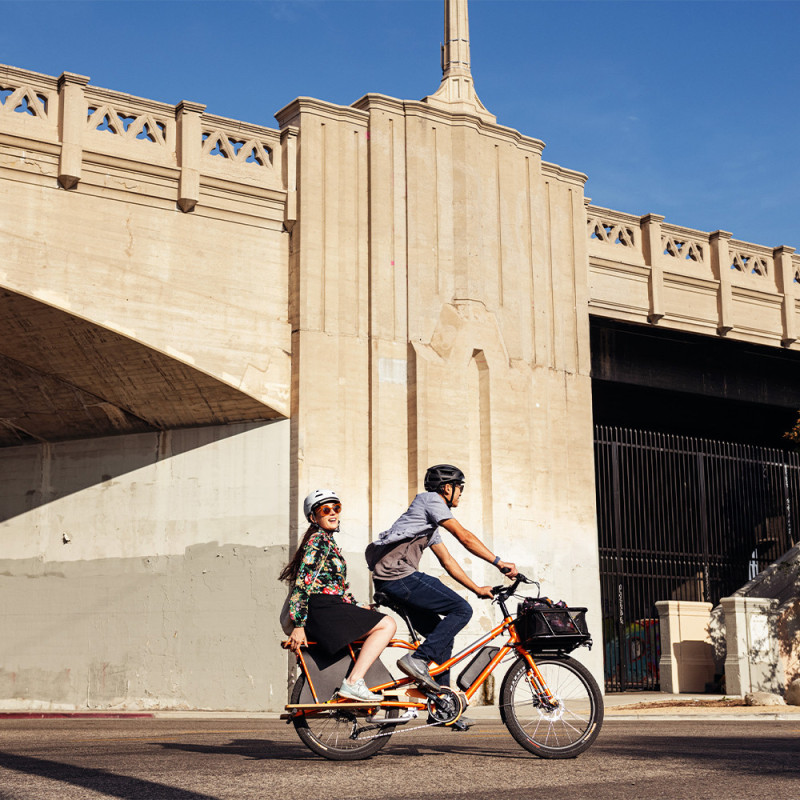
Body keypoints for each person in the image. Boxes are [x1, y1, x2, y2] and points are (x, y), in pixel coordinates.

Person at [366, 464, 518, 702]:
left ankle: (443, 702)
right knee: (461, 609)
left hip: (390, 581)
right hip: (397, 576)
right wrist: (499, 563)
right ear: (447, 488)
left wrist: (477, 588)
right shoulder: (430, 500)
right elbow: (464, 537)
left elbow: (448, 561)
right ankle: (418, 660)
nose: (460, 494)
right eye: (459, 488)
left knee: (442, 637)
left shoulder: (427, 522)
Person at [280, 488, 396, 703]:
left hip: (329, 605)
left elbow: (334, 588)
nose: (332, 513)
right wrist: (298, 624)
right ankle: (353, 683)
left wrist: (358, 605)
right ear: (313, 517)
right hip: (322, 610)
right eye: (325, 510)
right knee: (387, 625)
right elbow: (302, 584)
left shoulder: (327, 542)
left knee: (378, 623)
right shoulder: (318, 542)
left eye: (336, 508)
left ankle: (357, 682)